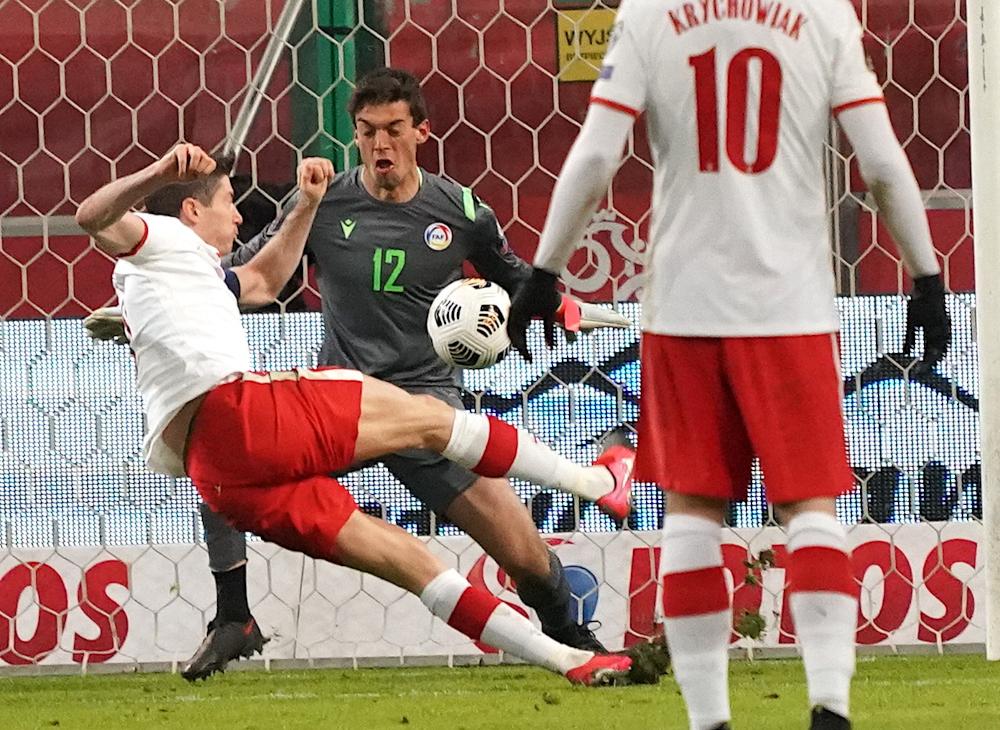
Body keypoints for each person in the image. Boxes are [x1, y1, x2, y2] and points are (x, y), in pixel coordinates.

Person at [507, 3, 951, 730]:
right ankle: (830, 711)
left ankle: (709, 721)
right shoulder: (822, 12)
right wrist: (926, 275)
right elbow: (877, 163)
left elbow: (595, 157)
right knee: (809, 507)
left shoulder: (651, 13)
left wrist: (545, 270)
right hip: (792, 305)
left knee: (692, 511)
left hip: (684, 304)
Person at [75, 143, 636, 687]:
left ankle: (568, 660)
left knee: (412, 562)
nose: (240, 215)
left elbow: (265, 281)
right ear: (193, 209)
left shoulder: (189, 269)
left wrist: (309, 203)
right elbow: (93, 216)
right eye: (228, 200)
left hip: (223, 477)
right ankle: (601, 482)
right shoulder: (162, 236)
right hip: (242, 415)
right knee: (428, 418)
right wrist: (158, 172)